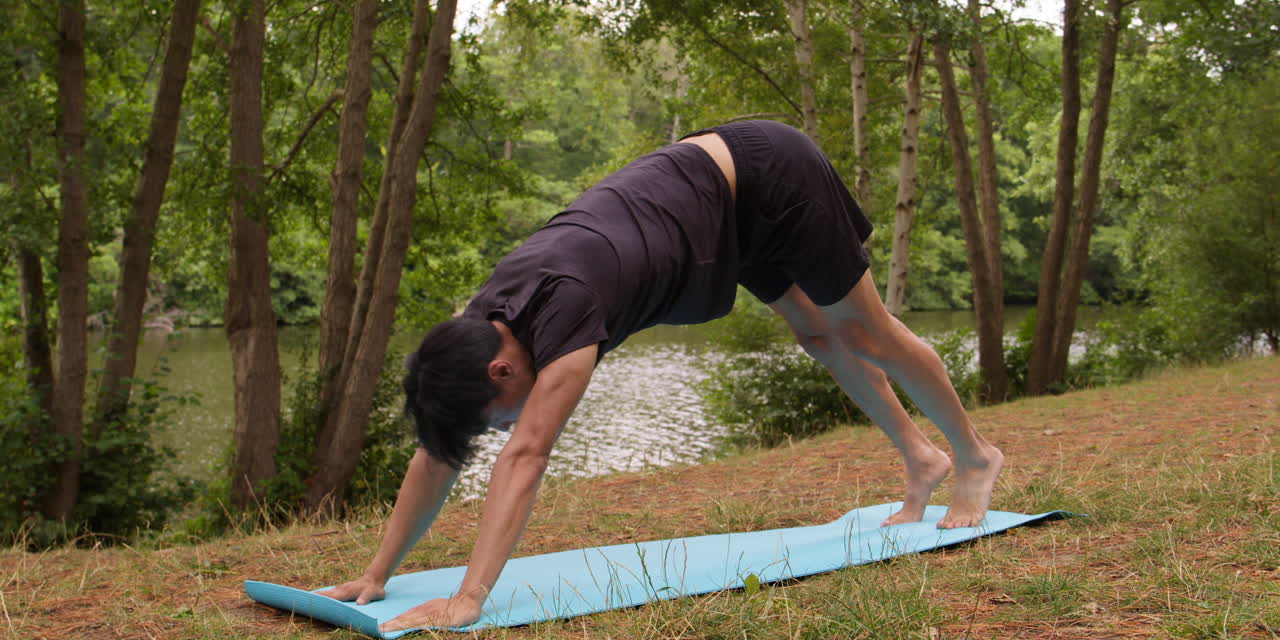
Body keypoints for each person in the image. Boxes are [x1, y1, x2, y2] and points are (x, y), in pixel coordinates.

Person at [317, 120, 1004, 631]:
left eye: (497, 413)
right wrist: (379, 574)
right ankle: (921, 458)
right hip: (715, 203)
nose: (503, 427)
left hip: (767, 173)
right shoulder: (477, 325)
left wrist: (468, 601)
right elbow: (441, 452)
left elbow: (526, 456)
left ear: (502, 368)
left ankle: (973, 456)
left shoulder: (566, 319)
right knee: (818, 337)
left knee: (861, 330)